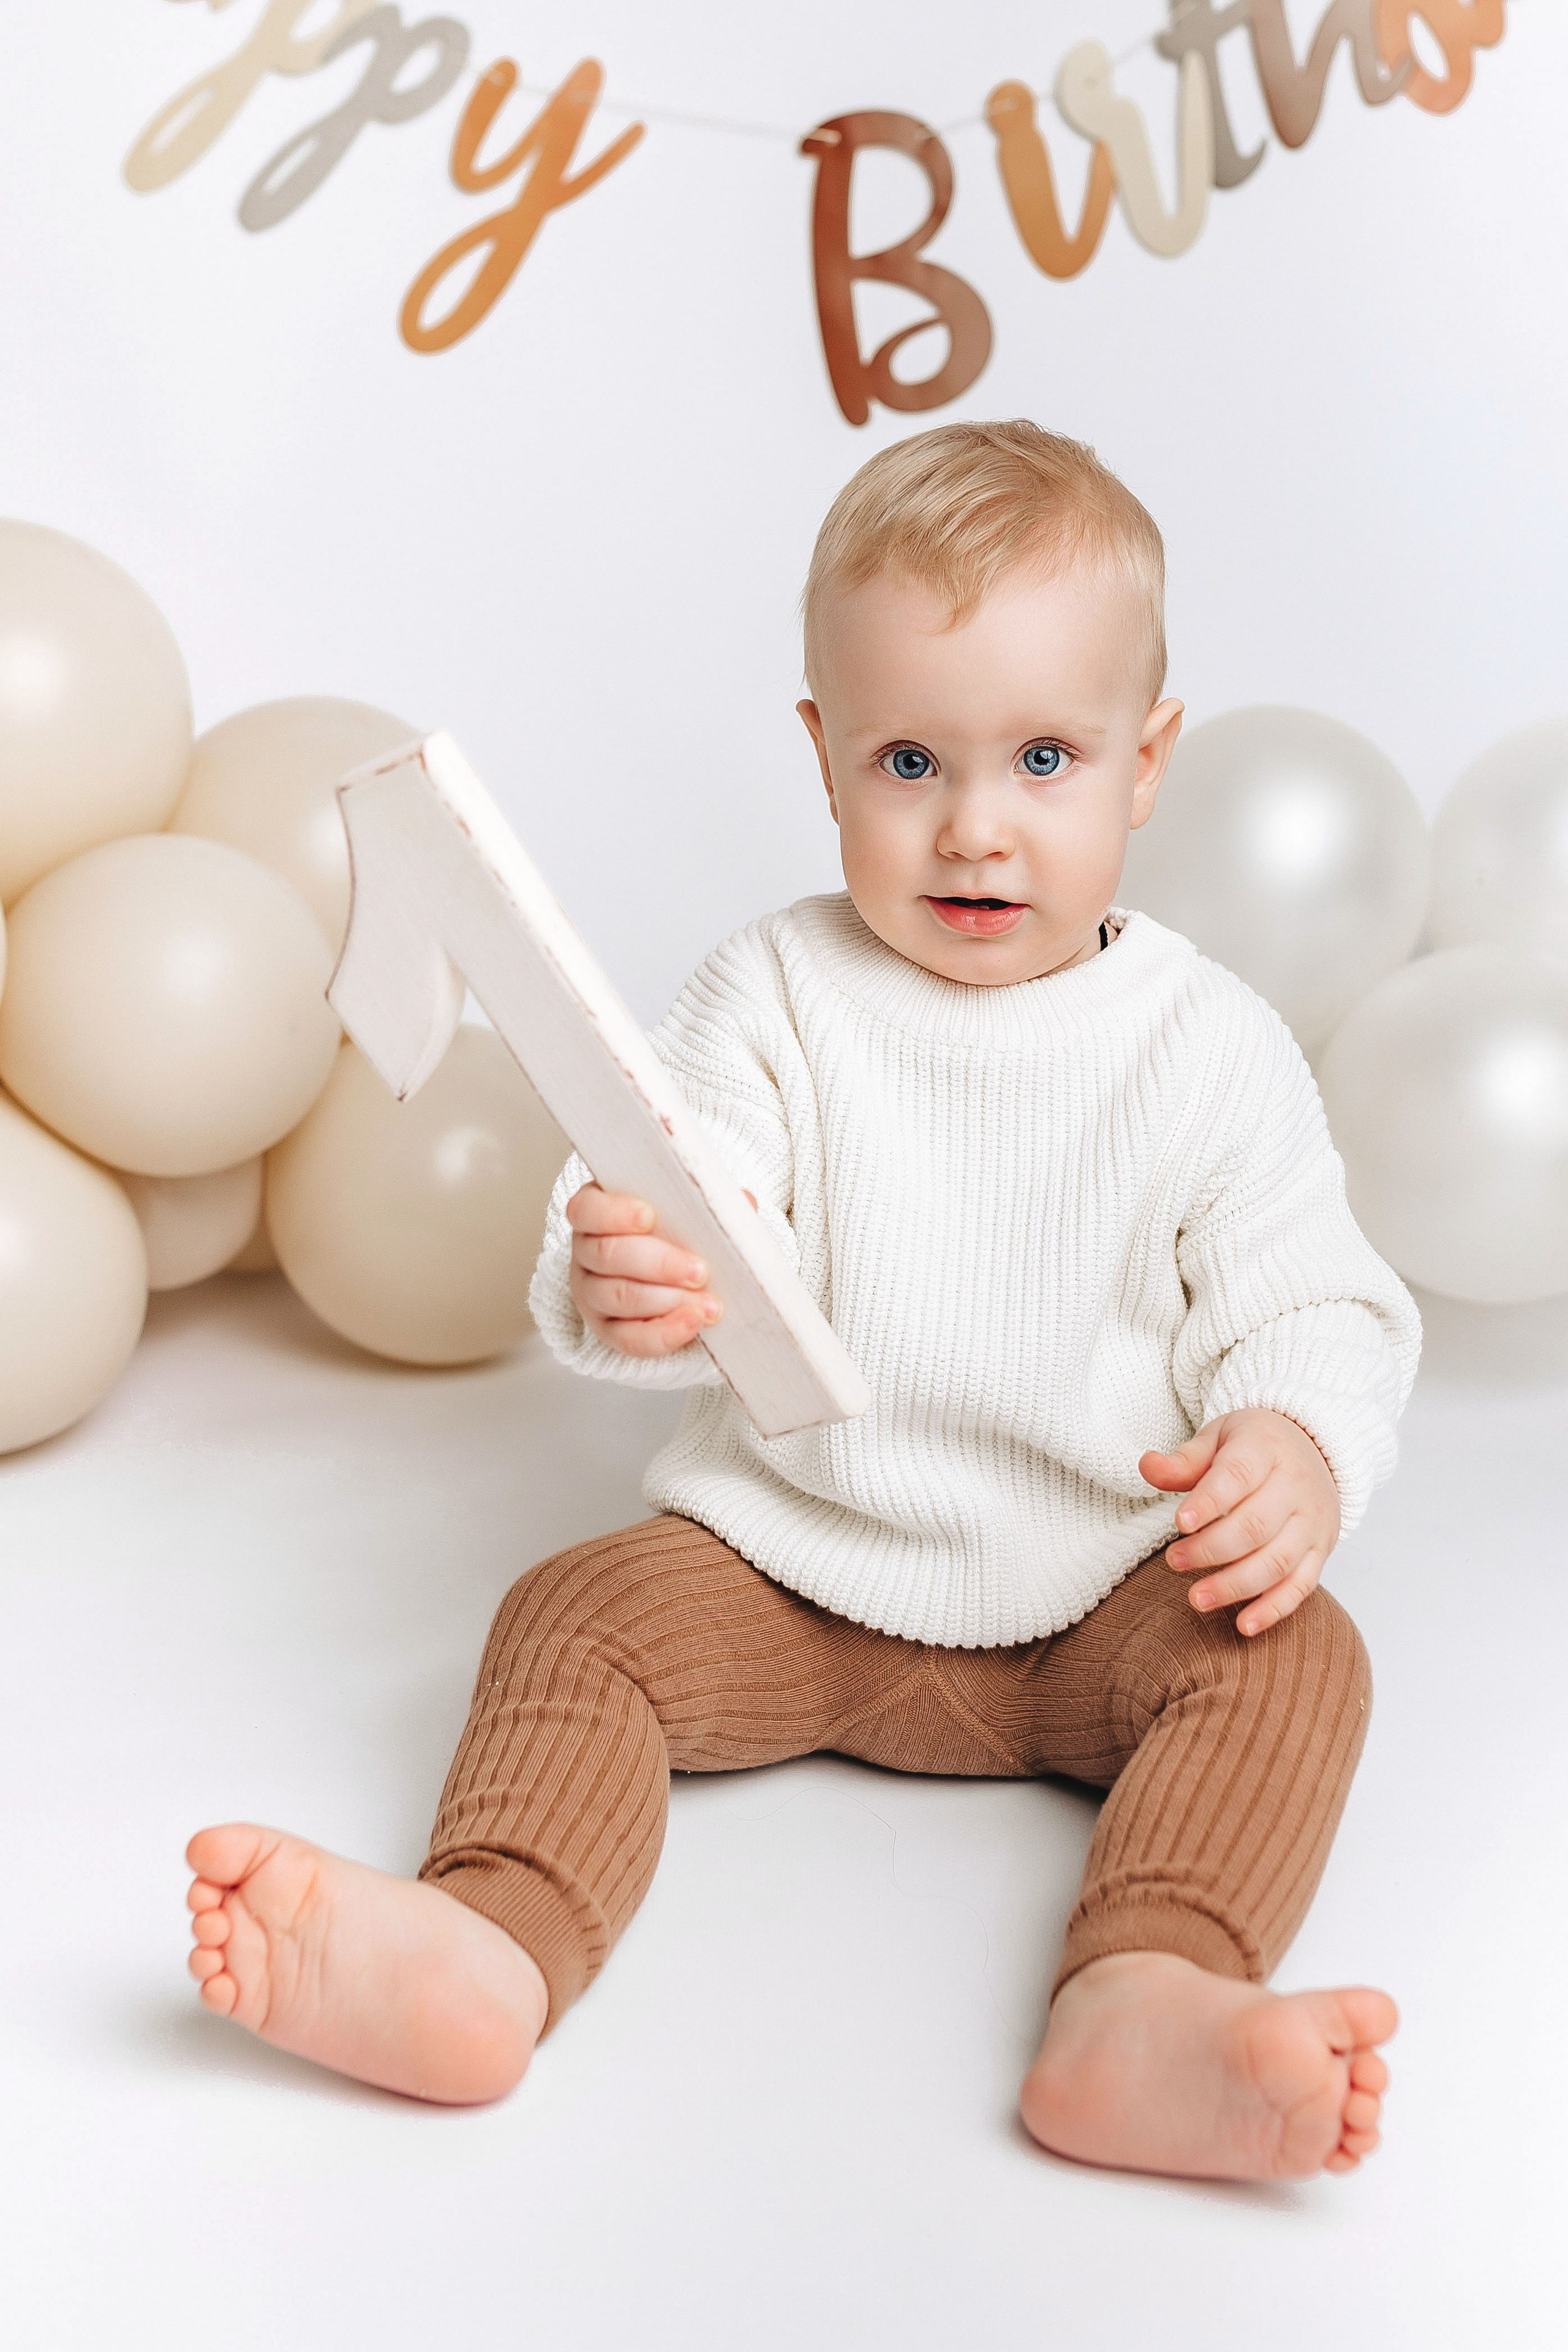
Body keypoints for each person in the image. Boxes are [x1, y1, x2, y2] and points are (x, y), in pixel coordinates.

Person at [184, 421, 1417, 2180]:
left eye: (1045, 759)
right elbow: (689, 1207)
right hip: (793, 1568)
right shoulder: (773, 992)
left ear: (1148, 767)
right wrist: (634, 1276)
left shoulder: (1203, 1047)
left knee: (1299, 1662)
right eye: (910, 759)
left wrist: (1294, 1442)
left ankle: (1148, 2001)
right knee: (574, 1613)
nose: (975, 830)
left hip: (1095, 1596)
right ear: (823, 756)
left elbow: (1316, 1296)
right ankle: (487, 1941)